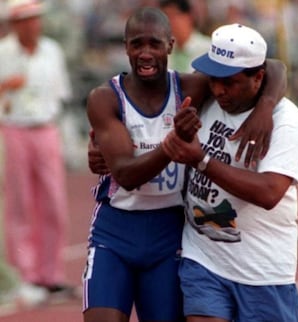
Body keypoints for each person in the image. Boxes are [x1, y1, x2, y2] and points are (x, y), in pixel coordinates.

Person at [84, 6, 287, 322]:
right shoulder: (106, 98)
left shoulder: (189, 87)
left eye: (154, 44)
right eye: (137, 44)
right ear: (125, 47)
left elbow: (272, 67)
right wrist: (173, 144)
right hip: (116, 231)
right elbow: (125, 174)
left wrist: (266, 106)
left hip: (169, 233)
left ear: (171, 45)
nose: (146, 53)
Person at [162, 23, 298, 322]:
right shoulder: (208, 97)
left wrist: (201, 160)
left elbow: (269, 192)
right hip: (203, 259)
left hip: (262, 272)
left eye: (228, 82)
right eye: (213, 78)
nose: (218, 89)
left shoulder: (287, 124)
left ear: (258, 78)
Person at [0, 0, 76, 304]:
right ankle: (26, 275)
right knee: (20, 203)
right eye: (26, 20)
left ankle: (51, 274)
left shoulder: (52, 51)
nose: (33, 25)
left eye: (36, 19)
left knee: (54, 202)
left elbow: (61, 95)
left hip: (45, 128)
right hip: (14, 129)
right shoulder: (3, 52)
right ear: (15, 24)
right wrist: (6, 86)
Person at [159, 0, 211, 73]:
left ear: (189, 16)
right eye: (165, 17)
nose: (169, 21)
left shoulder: (208, 49)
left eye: (173, 15)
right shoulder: (164, 50)